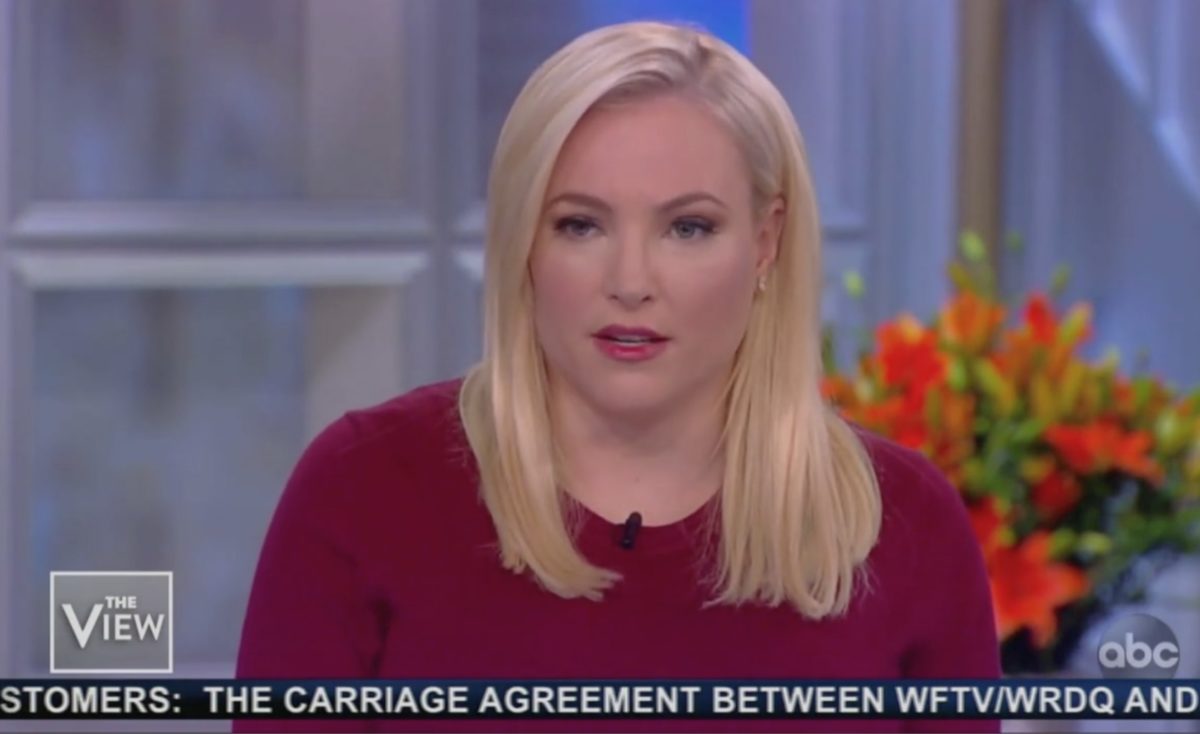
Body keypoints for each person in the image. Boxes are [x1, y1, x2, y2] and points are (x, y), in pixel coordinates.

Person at [235, 20, 1001, 734]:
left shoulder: (905, 526)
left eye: (688, 227)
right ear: (524, 243)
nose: (630, 281)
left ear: (766, 242)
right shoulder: (364, 491)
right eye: (581, 225)